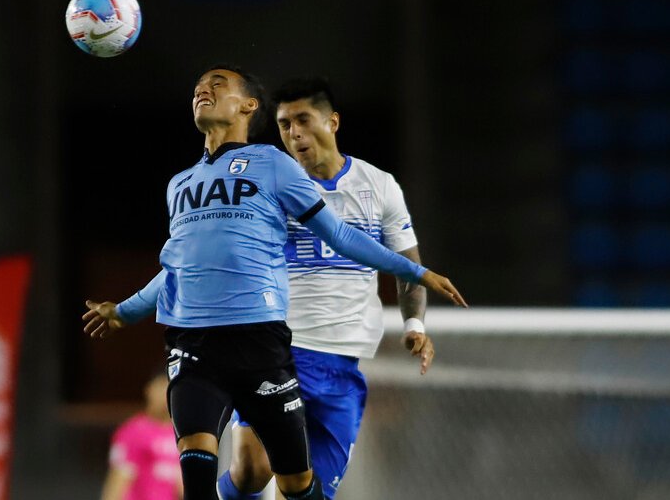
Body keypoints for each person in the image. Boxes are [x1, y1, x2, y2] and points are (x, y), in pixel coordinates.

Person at [81, 65, 467, 500]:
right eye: (197, 88)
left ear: (248, 106)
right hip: (194, 341)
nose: (202, 91)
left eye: (217, 85)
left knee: (295, 483)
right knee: (215, 465)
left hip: (268, 344)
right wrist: (124, 311)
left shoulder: (274, 166)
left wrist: (414, 272)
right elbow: (176, 267)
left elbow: (338, 234)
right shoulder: (180, 184)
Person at [214, 77, 442, 500]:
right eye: (283, 125)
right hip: (278, 351)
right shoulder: (267, 192)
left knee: (305, 492)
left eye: (303, 119)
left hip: (342, 361)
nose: (294, 133)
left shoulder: (379, 186)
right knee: (251, 471)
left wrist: (415, 323)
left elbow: (408, 266)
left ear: (332, 122)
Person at [102, 372, 182, 500]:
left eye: (169, 387)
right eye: (160, 387)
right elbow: (117, 481)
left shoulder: (183, 434)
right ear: (148, 390)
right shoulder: (133, 431)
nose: (164, 394)